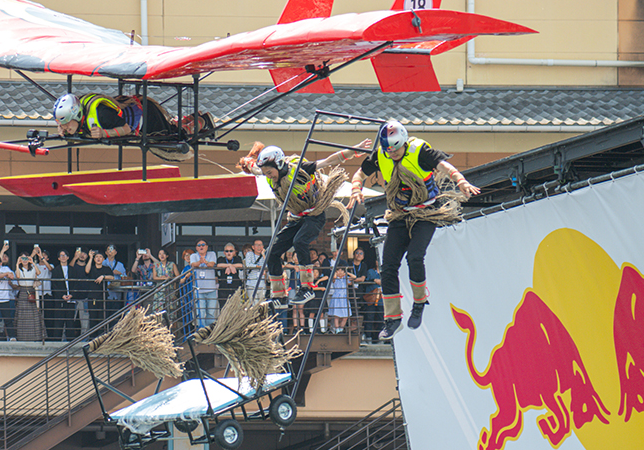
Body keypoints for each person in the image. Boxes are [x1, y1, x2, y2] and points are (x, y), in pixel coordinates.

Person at [350, 120, 479, 339]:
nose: (392, 153)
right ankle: (393, 318)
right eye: (388, 150)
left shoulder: (419, 150)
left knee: (415, 256)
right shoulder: (382, 154)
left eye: (396, 149)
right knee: (388, 265)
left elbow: (444, 166)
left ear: (404, 141)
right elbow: (360, 174)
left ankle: (419, 303)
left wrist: (460, 180)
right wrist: (355, 189)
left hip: (427, 212)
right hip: (400, 213)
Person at [240, 140, 371, 311]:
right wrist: (247, 161)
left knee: (300, 242)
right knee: (272, 252)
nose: (268, 176)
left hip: (314, 215)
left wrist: (353, 151)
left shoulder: (300, 170)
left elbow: (329, 161)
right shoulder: (267, 173)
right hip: (295, 217)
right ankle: (279, 296)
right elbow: (255, 168)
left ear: (279, 165)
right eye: (266, 173)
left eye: (270, 172)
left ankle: (307, 288)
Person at [52, 92, 212, 141]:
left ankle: (204, 120)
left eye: (66, 124)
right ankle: (195, 116)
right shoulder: (80, 122)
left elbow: (126, 129)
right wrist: (64, 132)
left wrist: (104, 134)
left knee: (178, 136)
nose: (65, 128)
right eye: (61, 125)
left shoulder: (101, 115)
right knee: (172, 128)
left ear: (77, 114)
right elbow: (78, 132)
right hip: (142, 111)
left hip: (146, 117)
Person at [13, 252, 46, 342]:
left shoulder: (32, 269)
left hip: (32, 291)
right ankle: (22, 337)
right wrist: (17, 264)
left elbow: (38, 273)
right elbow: (18, 277)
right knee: (22, 314)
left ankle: (36, 336)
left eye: (26, 258)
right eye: (22, 258)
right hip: (23, 291)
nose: (24, 261)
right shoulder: (19, 269)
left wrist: (33, 263)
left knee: (34, 314)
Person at [188, 240, 218, 328]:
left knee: (211, 312)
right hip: (199, 289)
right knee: (200, 312)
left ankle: (210, 332)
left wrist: (205, 262)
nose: (201, 247)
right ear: (196, 248)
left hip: (211, 289)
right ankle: (202, 331)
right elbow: (193, 264)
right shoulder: (193, 255)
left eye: (203, 245)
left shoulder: (212, 254)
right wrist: (200, 262)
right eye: (199, 245)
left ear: (207, 246)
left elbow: (212, 264)